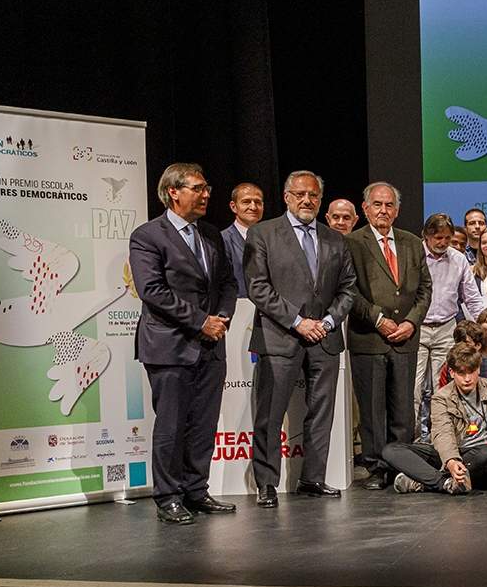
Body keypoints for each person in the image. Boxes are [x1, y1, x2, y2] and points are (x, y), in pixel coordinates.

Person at [130, 163, 239, 523]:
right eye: (198, 188)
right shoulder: (148, 236)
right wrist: (200, 322)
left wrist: (221, 318)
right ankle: (168, 496)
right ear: (173, 192)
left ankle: (196, 490)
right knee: (172, 425)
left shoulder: (210, 234)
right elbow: (152, 291)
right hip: (169, 346)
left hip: (210, 345)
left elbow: (227, 283)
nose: (207, 194)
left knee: (204, 424)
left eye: (207, 187)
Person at [243, 170, 357, 505]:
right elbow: (258, 288)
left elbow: (348, 289)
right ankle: (266, 483)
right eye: (299, 194)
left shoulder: (335, 238)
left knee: (321, 414)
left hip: (325, 338)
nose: (307, 200)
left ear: (320, 200)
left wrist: (329, 321)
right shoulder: (263, 233)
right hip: (280, 337)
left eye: (313, 196)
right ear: (287, 197)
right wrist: (297, 322)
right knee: (270, 413)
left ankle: (313, 478)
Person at [346, 182, 432, 490]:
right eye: (378, 204)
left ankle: (402, 465)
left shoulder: (411, 242)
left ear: (396, 210)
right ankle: (375, 467)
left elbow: (424, 289)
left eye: (389, 205)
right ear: (366, 208)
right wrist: (378, 319)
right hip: (369, 338)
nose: (384, 210)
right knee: (372, 409)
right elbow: (348, 291)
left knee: (403, 408)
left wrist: (411, 322)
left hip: (406, 338)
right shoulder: (353, 242)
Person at [385, 344, 487, 494]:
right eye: (461, 373)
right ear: (452, 372)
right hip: (447, 452)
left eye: (471, 372)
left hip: (477, 455)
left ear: (478, 369)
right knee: (391, 450)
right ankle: (445, 482)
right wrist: (451, 460)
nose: (467, 379)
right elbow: (443, 433)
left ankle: (425, 482)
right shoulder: (442, 397)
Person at [416, 212, 487, 443]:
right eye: (438, 237)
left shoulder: (458, 259)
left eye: (447, 238)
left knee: (444, 389)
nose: (443, 243)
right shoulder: (415, 255)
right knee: (415, 390)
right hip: (417, 328)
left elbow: (472, 297)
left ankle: (443, 439)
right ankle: (415, 440)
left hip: (446, 328)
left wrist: (486, 322)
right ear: (426, 236)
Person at [222, 181, 263, 298]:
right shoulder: (222, 240)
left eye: (258, 202)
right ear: (233, 206)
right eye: (246, 202)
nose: (253, 207)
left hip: (272, 310)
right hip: (240, 309)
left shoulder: (272, 238)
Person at [434, 320, 487, 387]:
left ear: (478, 345)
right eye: (458, 343)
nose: (461, 348)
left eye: (466, 344)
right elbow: (443, 394)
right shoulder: (448, 368)